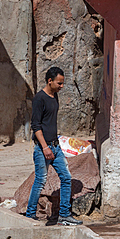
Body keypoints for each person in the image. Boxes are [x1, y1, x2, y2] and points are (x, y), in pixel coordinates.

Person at [25, 67, 82, 225]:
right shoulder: (39, 99)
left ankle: (64, 214)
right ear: (50, 81)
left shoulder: (54, 96)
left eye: (62, 83)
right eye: (59, 83)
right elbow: (36, 126)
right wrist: (45, 147)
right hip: (43, 148)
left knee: (66, 177)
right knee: (40, 180)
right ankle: (30, 215)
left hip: (56, 147)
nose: (61, 86)